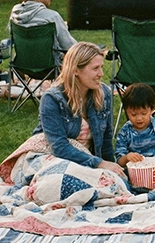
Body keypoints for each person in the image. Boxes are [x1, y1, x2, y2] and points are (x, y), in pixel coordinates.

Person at [30, 42, 123, 177]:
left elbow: (106, 142)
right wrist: (99, 163)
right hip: (53, 159)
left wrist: (112, 171)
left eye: (101, 67)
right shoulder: (52, 99)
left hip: (87, 163)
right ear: (75, 70)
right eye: (95, 68)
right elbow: (59, 147)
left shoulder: (103, 93)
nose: (101, 74)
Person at [8, 0, 77, 65]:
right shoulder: (52, 16)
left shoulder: (15, 12)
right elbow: (69, 45)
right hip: (49, 66)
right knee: (81, 55)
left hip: (22, 64)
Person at [115, 83, 155, 169]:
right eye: (133, 114)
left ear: (152, 109)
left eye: (143, 113)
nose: (139, 118)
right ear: (126, 111)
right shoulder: (125, 132)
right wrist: (127, 157)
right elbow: (119, 161)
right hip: (135, 169)